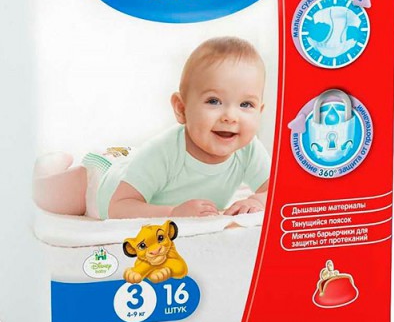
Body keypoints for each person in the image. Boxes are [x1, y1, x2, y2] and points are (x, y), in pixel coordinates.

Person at [33, 37, 270, 219]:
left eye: (246, 104)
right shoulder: (164, 151)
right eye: (213, 101)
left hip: (135, 165)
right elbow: (118, 207)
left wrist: (258, 201)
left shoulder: (249, 148)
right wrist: (173, 213)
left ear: (260, 111)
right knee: (45, 195)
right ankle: (50, 166)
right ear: (181, 109)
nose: (230, 116)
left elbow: (278, 191)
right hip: (102, 183)